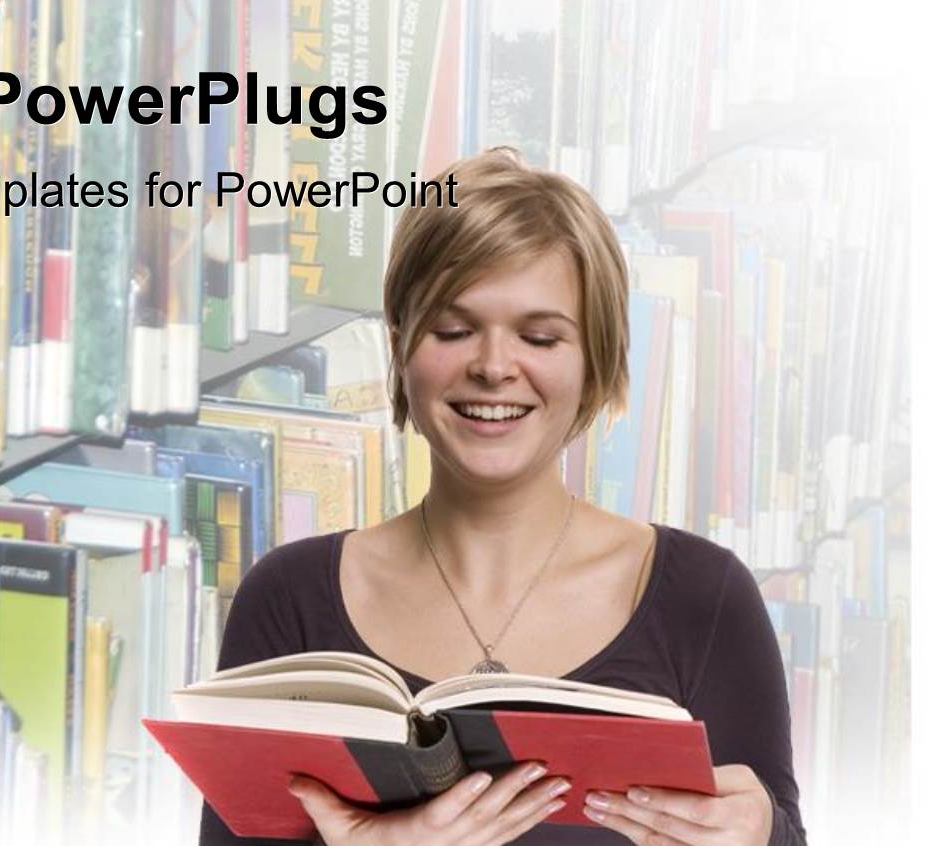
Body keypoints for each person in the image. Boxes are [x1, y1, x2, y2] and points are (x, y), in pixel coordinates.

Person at [199, 148, 805, 846]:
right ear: (399, 348)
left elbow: (781, 831)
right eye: (453, 331)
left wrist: (764, 836)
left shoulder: (705, 598)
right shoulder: (287, 600)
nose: (492, 367)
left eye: (540, 337)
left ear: (597, 360)